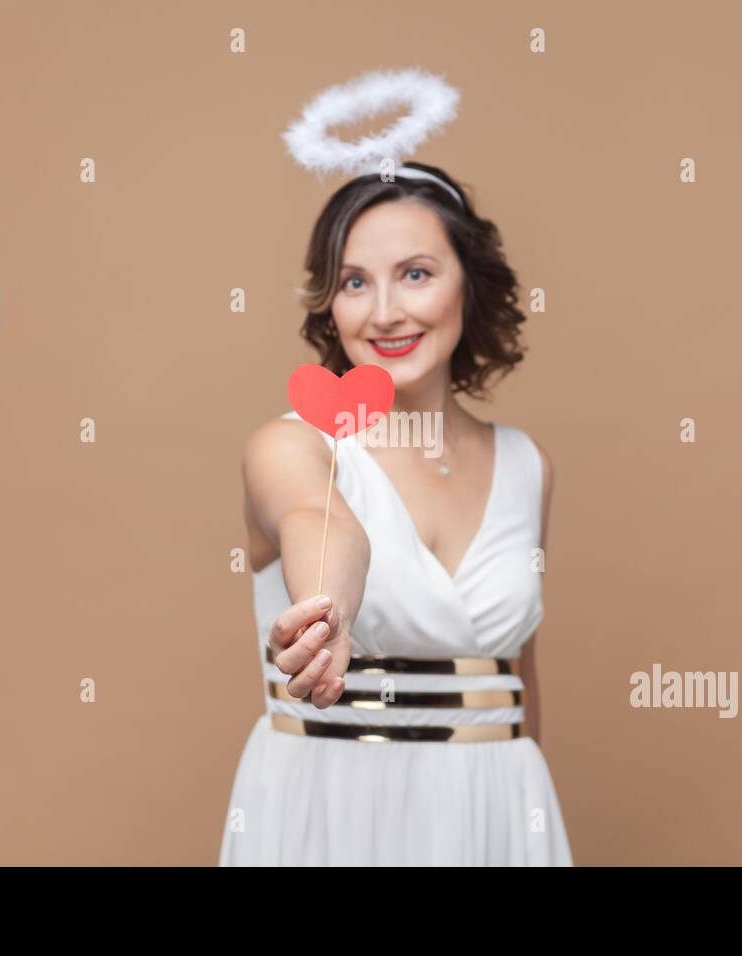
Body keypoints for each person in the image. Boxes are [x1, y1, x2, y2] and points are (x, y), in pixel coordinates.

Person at [219, 162, 573, 865]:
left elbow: (514, 683)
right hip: (328, 811)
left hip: (495, 812)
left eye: (415, 273)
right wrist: (328, 617)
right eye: (355, 282)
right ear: (330, 304)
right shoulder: (288, 445)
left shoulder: (529, 467)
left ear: (468, 284)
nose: (384, 312)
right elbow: (322, 524)